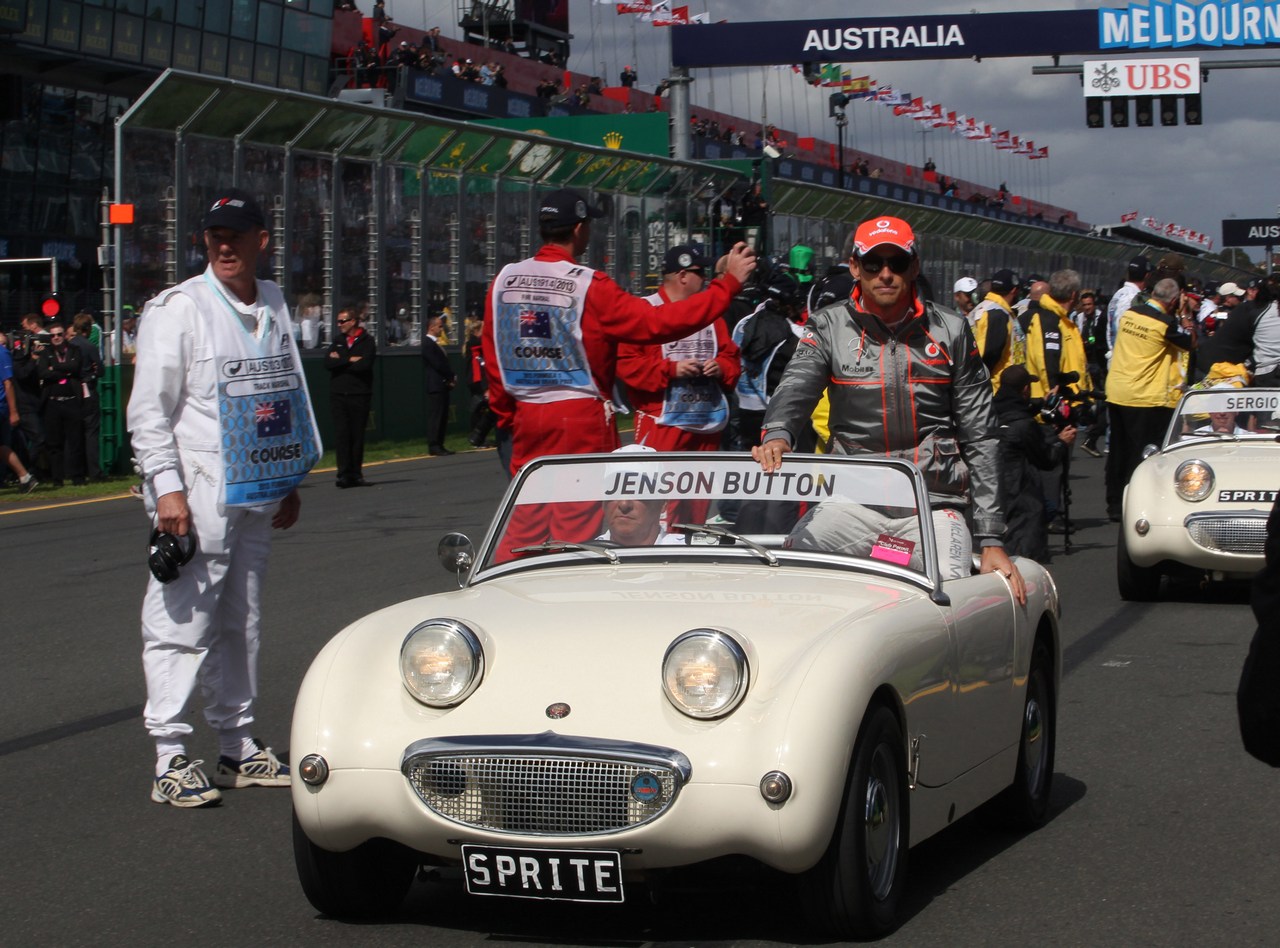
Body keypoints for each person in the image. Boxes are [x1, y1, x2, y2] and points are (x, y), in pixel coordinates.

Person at [128, 187, 321, 808]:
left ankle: (236, 746)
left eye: (237, 234)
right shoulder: (177, 309)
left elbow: (283, 390)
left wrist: (288, 476)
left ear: (262, 240)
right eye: (215, 236)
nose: (225, 245)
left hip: (256, 490)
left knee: (242, 620)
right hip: (197, 491)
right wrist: (168, 492)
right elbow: (147, 415)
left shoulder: (270, 300)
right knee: (182, 620)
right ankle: (169, 755)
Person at [753, 215, 1024, 602]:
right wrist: (778, 432)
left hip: (932, 507)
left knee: (952, 593)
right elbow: (796, 384)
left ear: (914, 266)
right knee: (792, 578)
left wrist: (992, 537)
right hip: (850, 504)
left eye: (896, 263)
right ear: (854, 267)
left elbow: (980, 433)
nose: (885, 274)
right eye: (872, 263)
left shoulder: (950, 329)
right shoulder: (828, 325)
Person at [481, 187, 755, 553]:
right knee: (580, 526)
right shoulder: (588, 284)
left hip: (526, 414)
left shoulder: (505, 279)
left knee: (525, 524)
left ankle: (507, 593)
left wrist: (506, 416)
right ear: (580, 229)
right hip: (580, 414)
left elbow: (494, 355)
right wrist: (728, 285)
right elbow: (658, 324)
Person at [617, 244, 740, 453]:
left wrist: (720, 367)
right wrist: (673, 370)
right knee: (657, 485)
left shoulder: (712, 316)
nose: (705, 279)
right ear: (683, 275)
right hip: (662, 426)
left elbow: (732, 358)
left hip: (707, 427)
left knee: (705, 485)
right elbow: (628, 365)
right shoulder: (645, 310)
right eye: (700, 272)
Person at [1104, 277, 1192, 522]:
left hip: (1118, 389)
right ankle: (1133, 501)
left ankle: (1112, 502)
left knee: (1117, 451)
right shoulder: (1165, 324)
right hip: (1145, 396)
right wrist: (1185, 315)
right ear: (1173, 300)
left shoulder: (1130, 314)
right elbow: (1191, 343)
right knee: (1141, 454)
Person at [993, 364, 1075, 562]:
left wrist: (1040, 403)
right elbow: (1047, 459)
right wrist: (1062, 442)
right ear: (1025, 389)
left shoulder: (989, 413)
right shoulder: (1025, 424)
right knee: (1024, 558)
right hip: (1021, 496)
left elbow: (1020, 408)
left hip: (993, 492)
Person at [325, 304, 377, 487]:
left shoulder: (367, 341)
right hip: (338, 394)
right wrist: (348, 360)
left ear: (353, 321)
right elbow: (328, 363)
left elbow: (364, 365)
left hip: (359, 394)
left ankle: (356, 473)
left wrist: (340, 360)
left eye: (343, 321)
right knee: (342, 435)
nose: (340, 324)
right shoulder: (338, 340)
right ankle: (343, 473)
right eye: (338, 321)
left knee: (356, 435)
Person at [36, 321, 87, 487]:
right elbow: (43, 372)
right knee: (54, 443)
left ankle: (77, 477)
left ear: (64, 335)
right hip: (53, 403)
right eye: (53, 335)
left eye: (59, 334)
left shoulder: (74, 350)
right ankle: (57, 479)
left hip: (72, 401)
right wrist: (64, 370)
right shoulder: (46, 353)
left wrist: (55, 368)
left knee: (76, 441)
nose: (56, 338)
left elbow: (76, 366)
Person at [972, 269, 1024, 389]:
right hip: (997, 387)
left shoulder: (983, 308)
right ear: (1014, 291)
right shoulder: (997, 313)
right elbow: (989, 353)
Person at [68, 312, 105, 481]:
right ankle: (94, 471)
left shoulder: (69, 346)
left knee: (74, 432)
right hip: (87, 389)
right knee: (91, 431)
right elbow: (101, 370)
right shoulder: (90, 347)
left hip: (70, 390)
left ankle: (75, 471)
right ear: (88, 329)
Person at [0, 331, 39, 492]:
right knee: (1, 446)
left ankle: (25, 477)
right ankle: (25, 477)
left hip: (0, 405)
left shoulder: (2, 353)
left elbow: (8, 383)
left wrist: (13, 411)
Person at [421, 313, 456, 455]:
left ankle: (440, 443)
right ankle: (434, 444)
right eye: (439, 326)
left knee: (443, 415)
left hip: (442, 384)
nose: (441, 329)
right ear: (431, 327)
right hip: (436, 384)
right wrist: (450, 376)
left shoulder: (435, 344)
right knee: (436, 415)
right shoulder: (428, 344)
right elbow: (437, 364)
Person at [464, 317, 495, 448]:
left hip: (479, 378)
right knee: (479, 407)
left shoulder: (475, 343)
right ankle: (476, 436)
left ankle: (479, 436)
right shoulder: (473, 342)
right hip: (476, 379)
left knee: (481, 407)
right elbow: (485, 342)